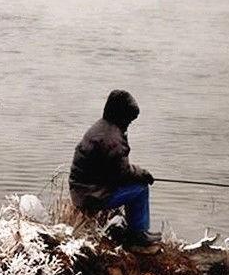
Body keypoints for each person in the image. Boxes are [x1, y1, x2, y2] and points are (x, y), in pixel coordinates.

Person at [69, 89, 161, 246]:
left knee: (134, 184)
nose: (129, 123)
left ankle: (134, 230)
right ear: (122, 116)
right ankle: (138, 235)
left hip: (81, 190)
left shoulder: (101, 126)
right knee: (140, 188)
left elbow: (114, 169)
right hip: (91, 196)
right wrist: (143, 174)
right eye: (129, 120)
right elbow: (123, 173)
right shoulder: (112, 139)